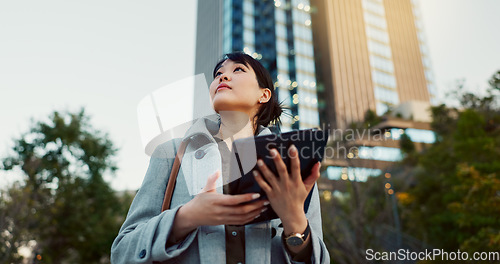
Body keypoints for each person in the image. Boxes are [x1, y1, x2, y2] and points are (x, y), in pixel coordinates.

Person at [111, 52, 330, 264]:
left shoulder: (292, 161)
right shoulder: (170, 153)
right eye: (218, 74)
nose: (222, 77)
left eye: (238, 69)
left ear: (263, 95)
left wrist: (295, 224)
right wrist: (186, 217)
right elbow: (122, 252)